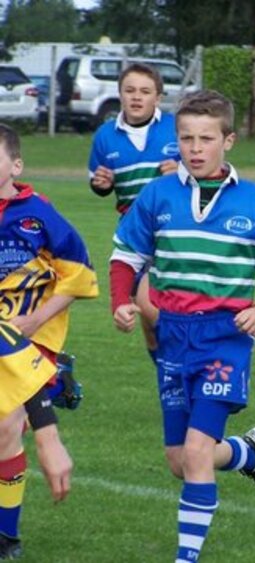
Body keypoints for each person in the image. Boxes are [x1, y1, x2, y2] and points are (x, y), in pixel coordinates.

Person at [108, 90, 255, 562]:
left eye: (206, 139)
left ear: (228, 141)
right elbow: (125, 257)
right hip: (173, 336)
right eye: (186, 139)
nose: (195, 148)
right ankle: (249, 453)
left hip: (225, 339)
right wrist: (120, 301)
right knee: (181, 461)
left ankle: (186, 558)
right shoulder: (159, 194)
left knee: (196, 451)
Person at [0, 123, 99, 559]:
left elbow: (79, 277)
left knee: (5, 427)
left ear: (15, 165)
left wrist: (35, 318)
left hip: (32, 336)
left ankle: (6, 537)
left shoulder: (38, 215)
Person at [89, 62, 180, 363]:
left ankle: (184, 364)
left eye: (145, 91)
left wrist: (183, 171)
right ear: (120, 95)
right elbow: (100, 182)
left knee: (149, 304)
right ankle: (171, 379)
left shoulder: (176, 128)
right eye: (129, 90)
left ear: (158, 97)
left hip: (173, 231)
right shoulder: (105, 136)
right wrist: (101, 183)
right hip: (134, 232)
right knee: (149, 322)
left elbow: (203, 172)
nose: (136, 97)